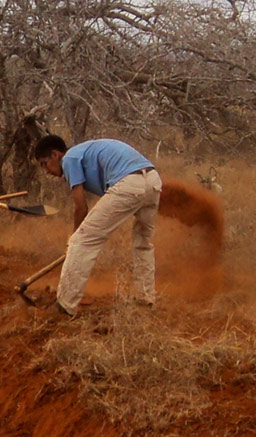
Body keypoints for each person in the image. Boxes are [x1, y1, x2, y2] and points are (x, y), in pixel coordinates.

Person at [33, 135, 163, 317]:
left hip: (129, 183)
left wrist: (73, 239)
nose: (46, 171)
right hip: (153, 180)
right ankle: (146, 298)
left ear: (55, 155)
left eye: (43, 164)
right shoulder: (82, 152)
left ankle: (64, 306)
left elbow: (81, 207)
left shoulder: (69, 158)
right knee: (143, 243)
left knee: (81, 241)